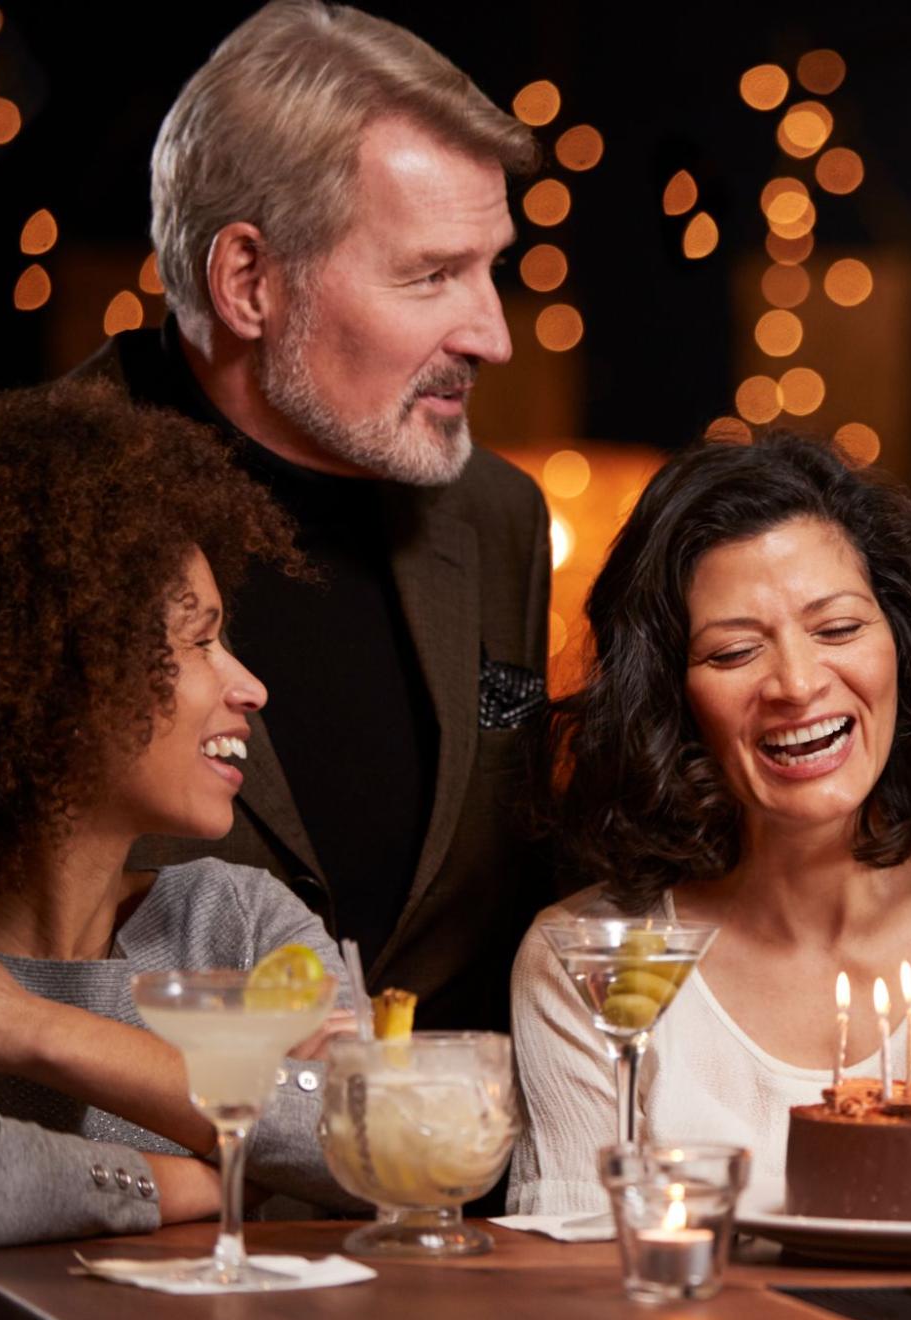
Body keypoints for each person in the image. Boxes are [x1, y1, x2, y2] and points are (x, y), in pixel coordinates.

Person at [75, 0, 553, 1035]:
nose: (493, 335)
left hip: (448, 1184)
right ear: (249, 280)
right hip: (136, 1185)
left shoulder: (500, 517)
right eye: (432, 274)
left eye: (492, 269)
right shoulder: (10, 522)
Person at [509, 435, 911, 1213]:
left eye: (837, 630)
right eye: (734, 650)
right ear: (672, 698)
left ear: (898, 647)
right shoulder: (587, 961)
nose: (797, 684)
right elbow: (579, 1276)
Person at [0, 382, 357, 1315]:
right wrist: (217, 1174)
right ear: (56, 674)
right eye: (201, 640)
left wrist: (25, 1026)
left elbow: (372, 1139)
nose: (248, 686)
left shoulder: (238, 920)